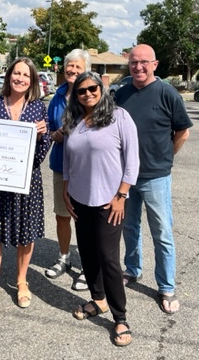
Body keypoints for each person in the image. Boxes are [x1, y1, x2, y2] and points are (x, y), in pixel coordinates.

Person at [62, 72, 139, 347]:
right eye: (81, 91)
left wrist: (121, 195)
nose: (87, 94)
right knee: (88, 254)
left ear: (101, 88)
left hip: (110, 202)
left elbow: (132, 161)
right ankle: (98, 301)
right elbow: (68, 158)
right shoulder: (74, 120)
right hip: (80, 199)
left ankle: (120, 317)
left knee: (109, 260)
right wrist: (66, 187)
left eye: (92, 88)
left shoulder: (119, 117)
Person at [114, 44, 193, 315]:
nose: (139, 67)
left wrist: (166, 157)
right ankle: (132, 269)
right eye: (134, 62)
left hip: (155, 177)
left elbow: (182, 132)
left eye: (144, 62)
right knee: (129, 227)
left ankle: (166, 286)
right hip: (126, 177)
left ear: (155, 64)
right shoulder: (121, 94)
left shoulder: (167, 93)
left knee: (162, 233)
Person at [0, 57, 51, 317]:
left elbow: (42, 151)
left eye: (25, 75)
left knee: (25, 234)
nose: (20, 78)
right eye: (16, 73)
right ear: (9, 76)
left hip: (26, 181)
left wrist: (41, 136)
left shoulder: (38, 108)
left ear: (32, 80)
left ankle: (21, 281)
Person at [45, 49, 91, 291]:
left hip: (86, 169)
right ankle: (64, 257)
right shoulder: (58, 95)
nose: (72, 71)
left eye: (77, 67)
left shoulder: (93, 94)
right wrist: (55, 134)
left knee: (85, 217)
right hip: (61, 165)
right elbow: (51, 127)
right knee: (62, 215)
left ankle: (88, 265)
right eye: (69, 67)